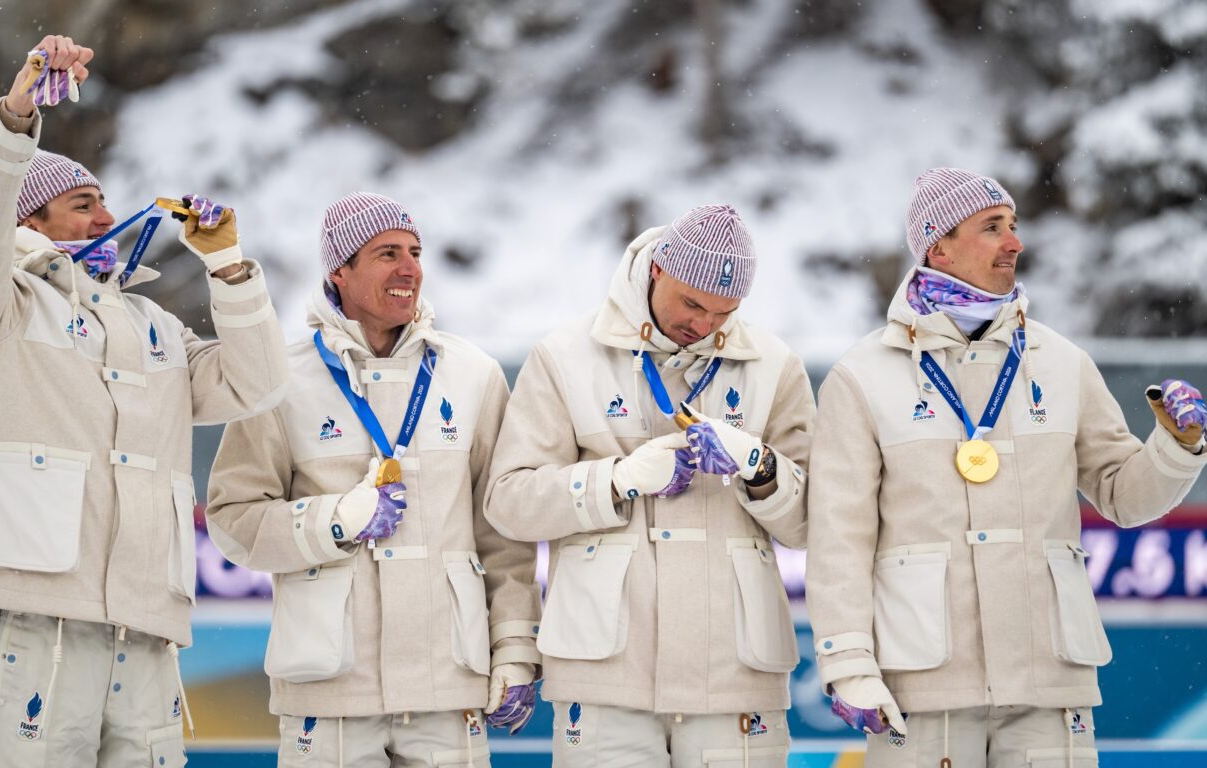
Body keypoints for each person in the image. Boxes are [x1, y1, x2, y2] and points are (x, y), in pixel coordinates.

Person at [0, 34, 289, 767]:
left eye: (104, 203)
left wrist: (228, 268)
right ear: (28, 224)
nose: (104, 219)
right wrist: (17, 111)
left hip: (147, 632)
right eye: (81, 204)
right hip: (41, 629)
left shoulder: (154, 325)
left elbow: (257, 383)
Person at [806, 167, 1207, 767]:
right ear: (937, 246)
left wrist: (1178, 445)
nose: (1014, 242)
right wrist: (845, 662)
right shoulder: (862, 376)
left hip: (1049, 680)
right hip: (922, 684)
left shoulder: (1062, 361)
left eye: (1013, 226)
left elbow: (1125, 495)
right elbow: (839, 539)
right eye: (992, 228)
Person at [205, 193, 542, 767]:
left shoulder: (474, 375)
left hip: (448, 685)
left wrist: (514, 648)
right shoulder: (278, 379)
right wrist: (334, 522)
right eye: (387, 253)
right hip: (329, 687)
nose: (409, 268)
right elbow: (233, 519)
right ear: (339, 270)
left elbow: (503, 539)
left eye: (415, 252)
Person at [485, 205, 814, 767]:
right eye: (692, 303)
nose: (704, 325)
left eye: (724, 312)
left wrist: (758, 465)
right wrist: (617, 480)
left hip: (735, 678)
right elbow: (509, 503)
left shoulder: (775, 365)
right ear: (658, 268)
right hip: (604, 676)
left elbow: (811, 524)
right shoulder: (564, 357)